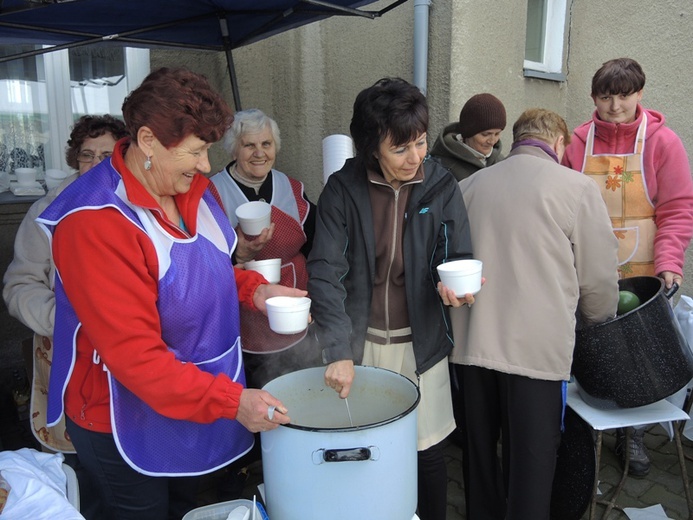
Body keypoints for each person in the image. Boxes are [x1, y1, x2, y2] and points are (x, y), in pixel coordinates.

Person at [34, 68, 298, 520]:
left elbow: (205, 268)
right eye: (195, 151)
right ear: (148, 140)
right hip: (120, 415)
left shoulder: (193, 189)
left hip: (195, 395)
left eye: (207, 150)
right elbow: (137, 359)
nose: (206, 166)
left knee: (191, 508)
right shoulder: (95, 223)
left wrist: (255, 290)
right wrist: (234, 402)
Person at [307, 77, 475, 520]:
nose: (415, 157)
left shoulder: (440, 185)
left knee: (428, 451)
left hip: (421, 347)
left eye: (419, 143)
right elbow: (325, 271)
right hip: (361, 348)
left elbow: (457, 254)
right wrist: (338, 350)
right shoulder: (343, 190)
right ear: (370, 148)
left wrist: (453, 286)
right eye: (400, 148)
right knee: (367, 448)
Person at [444, 108, 619, 520]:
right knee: (532, 462)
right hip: (536, 355)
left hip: (472, 347)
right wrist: (596, 320)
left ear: (518, 138)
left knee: (480, 456)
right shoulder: (576, 189)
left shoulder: (468, 185)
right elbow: (597, 279)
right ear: (559, 143)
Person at [562, 57, 693, 476]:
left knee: (639, 360)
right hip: (588, 272)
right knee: (585, 354)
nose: (614, 105)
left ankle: (632, 436)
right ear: (593, 98)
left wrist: (670, 262)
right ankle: (580, 433)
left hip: (644, 274)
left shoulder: (663, 142)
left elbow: (676, 209)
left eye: (623, 95)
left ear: (640, 94)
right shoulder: (577, 143)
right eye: (605, 96)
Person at [3, 114, 128, 518]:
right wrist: (63, 319)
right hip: (68, 355)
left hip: (128, 354)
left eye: (107, 155)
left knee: (128, 456)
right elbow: (19, 285)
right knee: (80, 466)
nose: (96, 164)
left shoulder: (136, 205)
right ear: (75, 159)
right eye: (87, 155)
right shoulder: (48, 210)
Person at [210, 108, 320, 388]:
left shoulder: (293, 189)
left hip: (293, 309)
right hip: (243, 313)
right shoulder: (212, 192)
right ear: (234, 149)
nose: (259, 153)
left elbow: (317, 246)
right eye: (249, 145)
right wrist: (239, 253)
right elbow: (203, 262)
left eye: (266, 144)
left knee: (301, 391)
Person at [430, 92, 506, 181]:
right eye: (485, 134)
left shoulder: (502, 162)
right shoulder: (441, 167)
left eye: (497, 134)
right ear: (468, 132)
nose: (492, 141)